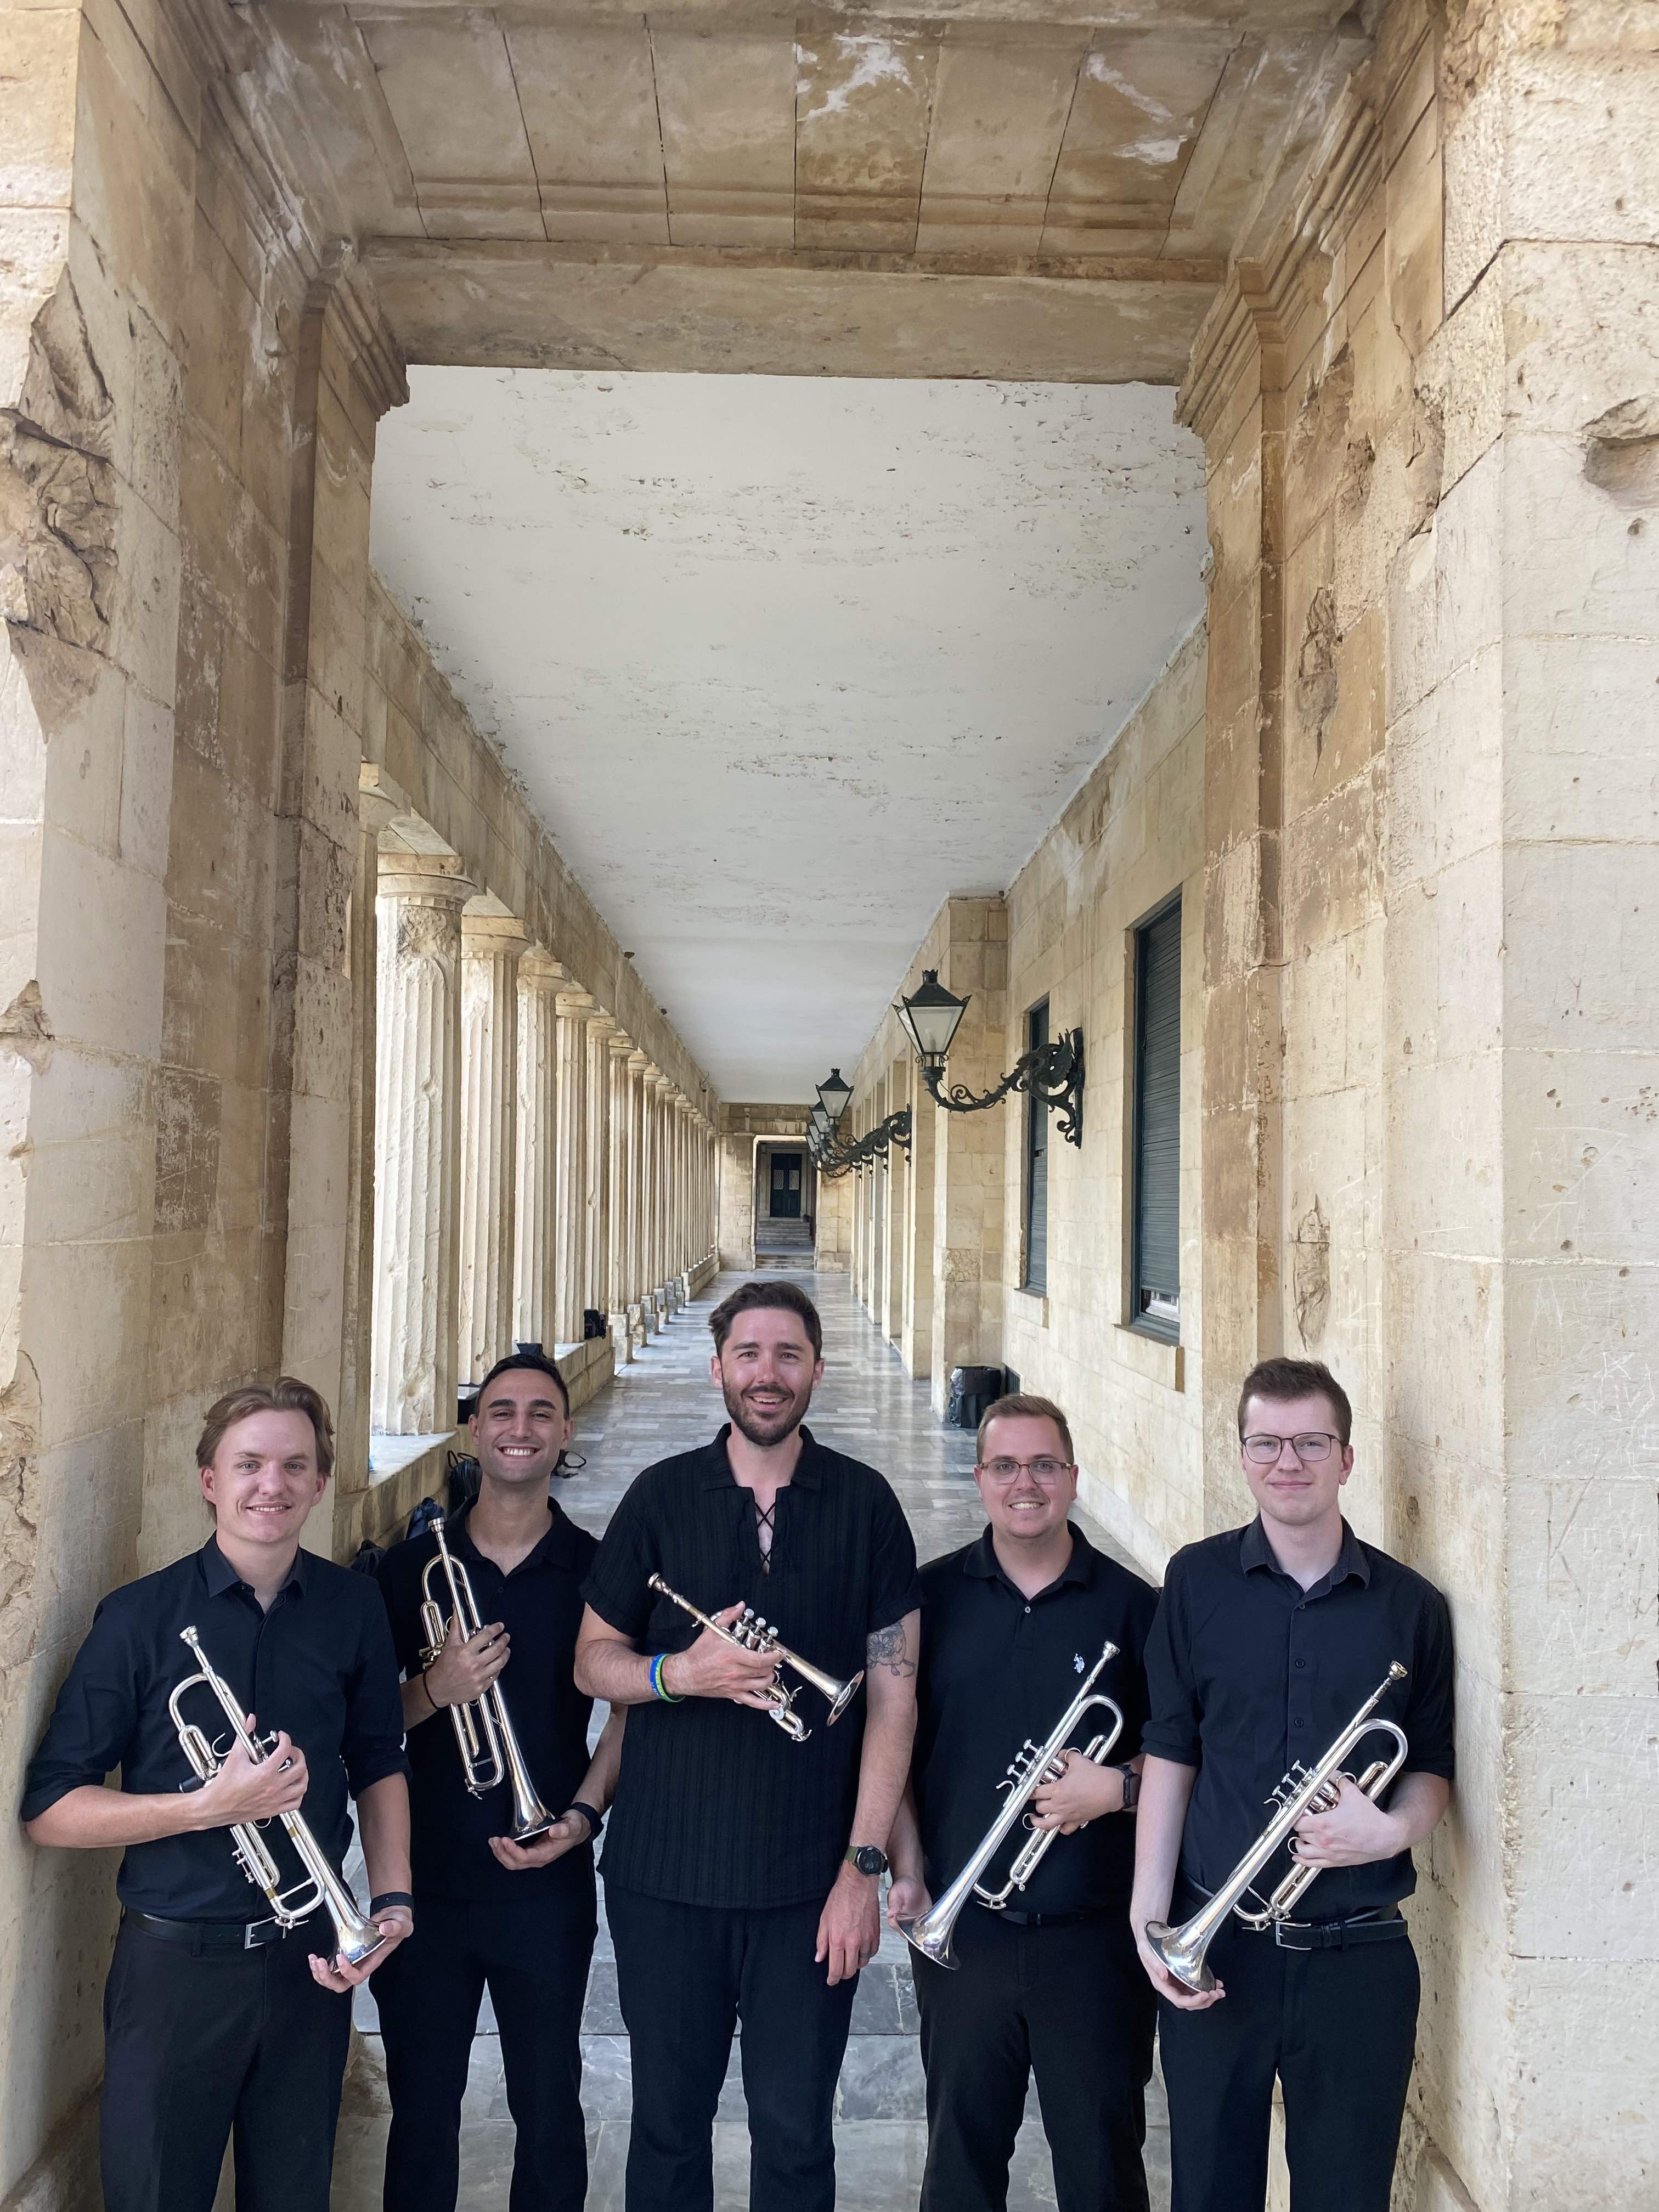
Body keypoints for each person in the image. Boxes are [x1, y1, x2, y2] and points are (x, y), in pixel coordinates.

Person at [21, 1377, 411, 2212]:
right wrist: (206, 1807)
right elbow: (51, 1811)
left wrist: (392, 1901)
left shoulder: (352, 1606)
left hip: (310, 1959)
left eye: (294, 1465)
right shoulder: (137, 1618)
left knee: (294, 2195)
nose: (272, 1484)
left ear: (319, 1483)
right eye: (249, 1464)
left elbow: (380, 1758)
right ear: (209, 1480)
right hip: (174, 1972)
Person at [573, 1278, 921, 2212]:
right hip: (662, 1883)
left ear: (817, 1369)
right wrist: (679, 1673)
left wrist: (861, 1871)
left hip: (810, 1888)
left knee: (798, 2137)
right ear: (718, 1367)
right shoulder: (659, 1495)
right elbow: (592, 1663)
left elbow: (893, 1699)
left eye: (788, 1355)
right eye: (749, 1355)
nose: (768, 1375)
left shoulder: (866, 1502)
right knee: (667, 2132)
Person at [1130, 1357, 1455, 2212]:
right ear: (1242, 1455)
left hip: (1359, 1960)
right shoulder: (1194, 1582)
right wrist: (1148, 1915)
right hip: (1218, 1947)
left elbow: (1430, 1766)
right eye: (1267, 1443)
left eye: (1312, 1442)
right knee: (1208, 2194)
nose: (1289, 1462)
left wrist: (1388, 1832)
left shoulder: (1411, 1607)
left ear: (1346, 1458)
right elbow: (1171, 1749)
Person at [886, 1392, 1159, 2212]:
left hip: (1096, 1940)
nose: (1025, 1483)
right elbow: (891, 1751)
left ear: (1073, 1477)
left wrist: (1116, 1788)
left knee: (1104, 2173)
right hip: (964, 1936)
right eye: (1005, 1466)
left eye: (1044, 1465)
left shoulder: (1137, 1607)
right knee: (959, 2168)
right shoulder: (926, 1601)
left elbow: (1188, 1758)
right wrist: (906, 1869)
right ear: (979, 1479)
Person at [373, 1350, 623, 2212]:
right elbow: (361, 1730)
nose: (522, 1428)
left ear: (566, 1431)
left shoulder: (598, 1571)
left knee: (549, 2105)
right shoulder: (408, 1572)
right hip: (424, 1885)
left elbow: (629, 1715)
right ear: (474, 1430)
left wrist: (584, 1815)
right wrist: (435, 1688)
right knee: (421, 2112)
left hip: (545, 1885)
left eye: (541, 1412)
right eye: (503, 1412)